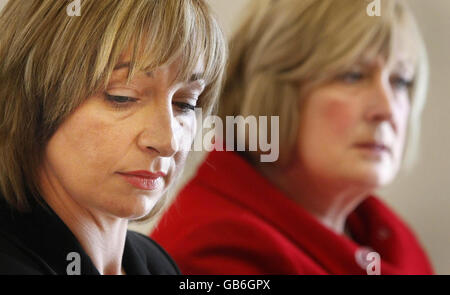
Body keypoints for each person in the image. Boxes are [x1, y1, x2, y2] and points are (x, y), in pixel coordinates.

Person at [151, 0, 434, 274]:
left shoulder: (386, 235)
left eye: (400, 81)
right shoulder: (215, 250)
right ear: (272, 92)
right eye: (353, 75)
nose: (387, 109)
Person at [0, 0, 226, 275]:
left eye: (185, 103)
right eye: (123, 97)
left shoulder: (156, 263)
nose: (169, 142)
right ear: (30, 99)